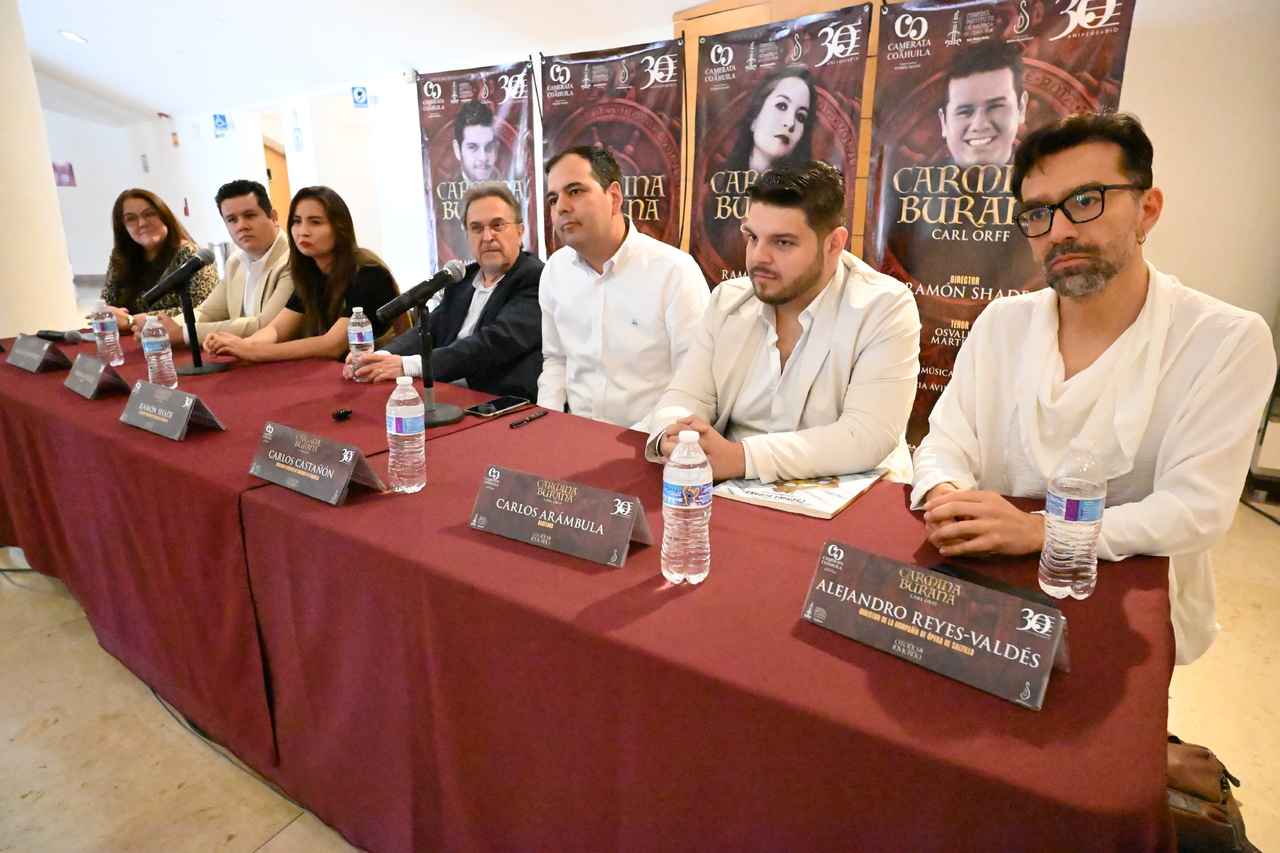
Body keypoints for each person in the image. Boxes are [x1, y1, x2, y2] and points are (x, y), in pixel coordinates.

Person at [911, 111, 1276, 665]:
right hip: (990, 590)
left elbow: (1195, 509)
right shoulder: (1002, 323)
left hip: (1125, 598)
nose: (1060, 230)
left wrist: (1041, 531)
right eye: (1038, 212)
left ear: (1147, 209)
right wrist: (946, 494)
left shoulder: (1223, 340)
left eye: (1086, 200)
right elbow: (946, 440)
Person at [646, 161, 919, 483]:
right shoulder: (729, 300)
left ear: (833, 244)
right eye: (753, 238)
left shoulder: (883, 306)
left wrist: (741, 458)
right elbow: (688, 394)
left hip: (847, 487)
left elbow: (866, 435)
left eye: (783, 242)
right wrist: (673, 434)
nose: (758, 257)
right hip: (730, 484)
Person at [539, 145, 709, 430]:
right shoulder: (555, 270)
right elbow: (556, 359)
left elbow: (694, 384)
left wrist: (633, 440)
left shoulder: (674, 272)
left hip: (651, 440)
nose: (561, 208)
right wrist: (547, 423)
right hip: (572, 437)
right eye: (553, 199)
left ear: (614, 197)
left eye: (575, 191)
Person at [345, 182, 543, 399]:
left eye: (497, 225)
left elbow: (494, 343)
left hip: (500, 399)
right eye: (476, 228)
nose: (487, 237)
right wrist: (380, 357)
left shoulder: (534, 277)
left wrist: (409, 365)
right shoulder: (462, 279)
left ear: (519, 232)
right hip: (450, 389)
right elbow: (429, 330)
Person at [204, 186, 400, 363]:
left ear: (340, 228)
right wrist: (240, 344)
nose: (303, 232)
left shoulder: (369, 274)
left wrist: (253, 351)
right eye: (297, 222)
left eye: (315, 222)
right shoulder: (312, 273)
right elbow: (276, 330)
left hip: (378, 376)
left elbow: (332, 345)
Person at [151, 180, 293, 347]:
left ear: (273, 217)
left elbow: (264, 325)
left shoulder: (293, 260)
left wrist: (184, 333)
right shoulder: (235, 262)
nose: (242, 226)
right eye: (232, 219)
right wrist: (162, 327)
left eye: (250, 215)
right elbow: (207, 312)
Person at [98, 189, 218, 334]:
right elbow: (107, 306)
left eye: (149, 214)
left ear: (164, 216)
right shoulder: (120, 256)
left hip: (176, 341)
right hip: (132, 340)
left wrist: (132, 320)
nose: (142, 223)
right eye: (131, 218)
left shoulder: (191, 255)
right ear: (123, 227)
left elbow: (207, 311)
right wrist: (107, 314)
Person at [938, 39, 1027, 169]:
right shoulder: (911, 181)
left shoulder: (1049, 176)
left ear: (1021, 108)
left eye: (995, 107)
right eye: (964, 112)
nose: (979, 125)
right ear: (943, 121)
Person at [725, 66, 816, 175]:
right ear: (755, 116)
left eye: (800, 117)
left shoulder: (807, 184)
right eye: (782, 106)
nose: (790, 123)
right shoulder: (718, 181)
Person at [454, 100, 497, 183]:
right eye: (473, 147)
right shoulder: (446, 191)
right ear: (457, 150)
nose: (483, 158)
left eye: (489, 147)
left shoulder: (509, 188)